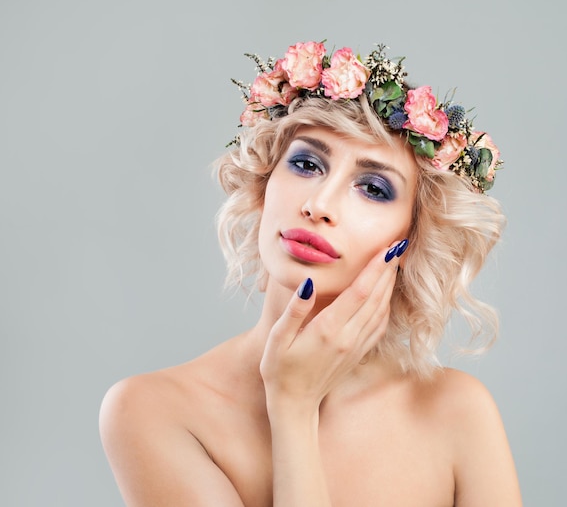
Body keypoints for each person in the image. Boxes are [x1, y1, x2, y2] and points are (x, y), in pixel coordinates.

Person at [99, 40, 522, 506]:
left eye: (374, 188)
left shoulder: (458, 411)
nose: (318, 205)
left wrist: (295, 404)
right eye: (305, 163)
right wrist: (293, 410)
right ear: (263, 187)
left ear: (413, 236)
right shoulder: (153, 410)